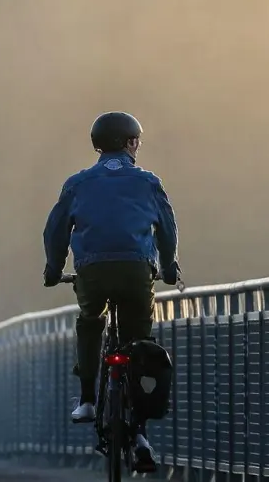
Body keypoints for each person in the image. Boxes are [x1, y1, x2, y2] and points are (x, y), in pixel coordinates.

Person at [43, 111, 180, 475]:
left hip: (93, 270)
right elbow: (166, 229)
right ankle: (140, 437)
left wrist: (53, 269)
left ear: (97, 145)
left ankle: (87, 399)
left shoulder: (77, 183)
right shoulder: (148, 181)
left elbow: (55, 231)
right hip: (136, 271)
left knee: (90, 320)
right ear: (132, 142)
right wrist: (169, 268)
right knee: (138, 343)